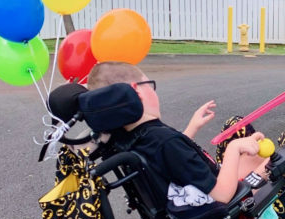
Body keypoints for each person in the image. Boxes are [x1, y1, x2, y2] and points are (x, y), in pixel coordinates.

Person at [86, 61, 266, 209]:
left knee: (236, 124)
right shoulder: (166, 141)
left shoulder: (132, 137)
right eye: (150, 85)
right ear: (138, 91)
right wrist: (234, 149)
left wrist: (191, 128)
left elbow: (173, 161)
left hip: (197, 194)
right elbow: (222, 195)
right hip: (229, 208)